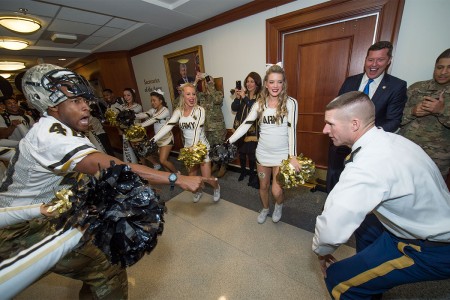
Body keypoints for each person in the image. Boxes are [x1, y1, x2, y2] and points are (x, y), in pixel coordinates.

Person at [0, 64, 204, 299]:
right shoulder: (49, 135)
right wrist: (176, 178)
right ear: (50, 104)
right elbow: (113, 166)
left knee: (102, 254)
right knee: (107, 267)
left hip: (49, 212)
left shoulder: (62, 130)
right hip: (19, 227)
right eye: (75, 100)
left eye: (84, 99)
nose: (86, 105)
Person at [313, 90, 450, 299]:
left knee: (340, 281)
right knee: (367, 225)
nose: (324, 130)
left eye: (330, 123)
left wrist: (321, 252)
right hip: (427, 222)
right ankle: (371, 282)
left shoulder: (368, 165)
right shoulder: (394, 141)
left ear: (355, 124)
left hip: (430, 247)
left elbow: (332, 225)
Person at [326, 41, 407, 193]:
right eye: (370, 60)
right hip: (342, 145)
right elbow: (337, 111)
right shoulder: (350, 81)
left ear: (389, 61)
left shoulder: (397, 86)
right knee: (335, 179)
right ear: (365, 60)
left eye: (380, 60)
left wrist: (367, 135)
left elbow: (394, 120)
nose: (374, 64)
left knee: (361, 186)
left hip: (370, 149)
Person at [227, 64, 300, 224]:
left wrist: (293, 156)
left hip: (281, 155)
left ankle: (279, 205)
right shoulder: (259, 103)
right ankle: (266, 208)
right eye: (272, 82)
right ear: (266, 83)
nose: (275, 86)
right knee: (263, 186)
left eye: (279, 82)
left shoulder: (291, 103)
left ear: (284, 84)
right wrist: (228, 141)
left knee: (276, 190)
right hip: (262, 154)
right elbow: (246, 124)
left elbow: (292, 130)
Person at [152, 83, 220, 203]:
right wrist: (153, 139)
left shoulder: (200, 110)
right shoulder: (179, 111)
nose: (192, 96)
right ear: (183, 96)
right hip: (189, 149)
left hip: (201, 148)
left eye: (193, 94)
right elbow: (168, 125)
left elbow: (196, 131)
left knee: (207, 178)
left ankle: (216, 187)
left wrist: (191, 151)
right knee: (191, 177)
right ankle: (198, 191)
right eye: (188, 94)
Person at [399, 48, 450, 179]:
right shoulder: (417, 88)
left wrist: (441, 111)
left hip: (437, 158)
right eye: (440, 67)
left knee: (427, 195)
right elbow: (397, 116)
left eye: (449, 68)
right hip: (405, 151)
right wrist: (413, 111)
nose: (443, 72)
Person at [134, 90, 178, 173]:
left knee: (162, 160)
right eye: (151, 100)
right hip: (158, 139)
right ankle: (169, 176)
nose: (152, 102)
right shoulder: (154, 110)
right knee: (163, 161)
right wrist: (133, 115)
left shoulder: (165, 110)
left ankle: (178, 174)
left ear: (160, 101)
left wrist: (140, 125)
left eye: (154, 100)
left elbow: (153, 119)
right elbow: (145, 114)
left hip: (166, 138)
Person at [231, 71, 261, 189]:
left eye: (252, 81)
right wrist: (238, 98)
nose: (249, 84)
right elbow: (234, 108)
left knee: (252, 155)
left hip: (252, 131)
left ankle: (252, 173)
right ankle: (243, 171)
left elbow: (253, 108)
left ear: (257, 83)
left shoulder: (260, 97)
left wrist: (244, 97)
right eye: (247, 81)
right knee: (242, 153)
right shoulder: (243, 95)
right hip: (240, 128)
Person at [196, 73, 227, 178]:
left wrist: (211, 86)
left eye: (209, 81)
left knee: (220, 148)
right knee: (211, 149)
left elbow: (218, 100)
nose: (207, 84)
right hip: (207, 128)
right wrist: (196, 81)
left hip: (218, 128)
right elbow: (191, 94)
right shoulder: (202, 96)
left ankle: (223, 166)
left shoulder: (218, 93)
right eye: (205, 82)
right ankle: (215, 164)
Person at [120, 88, 143, 163]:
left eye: (128, 95)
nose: (126, 97)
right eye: (124, 95)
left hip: (136, 132)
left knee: (141, 152)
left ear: (133, 95)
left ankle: (152, 165)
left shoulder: (138, 106)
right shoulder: (123, 107)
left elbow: (129, 116)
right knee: (133, 151)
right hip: (127, 132)